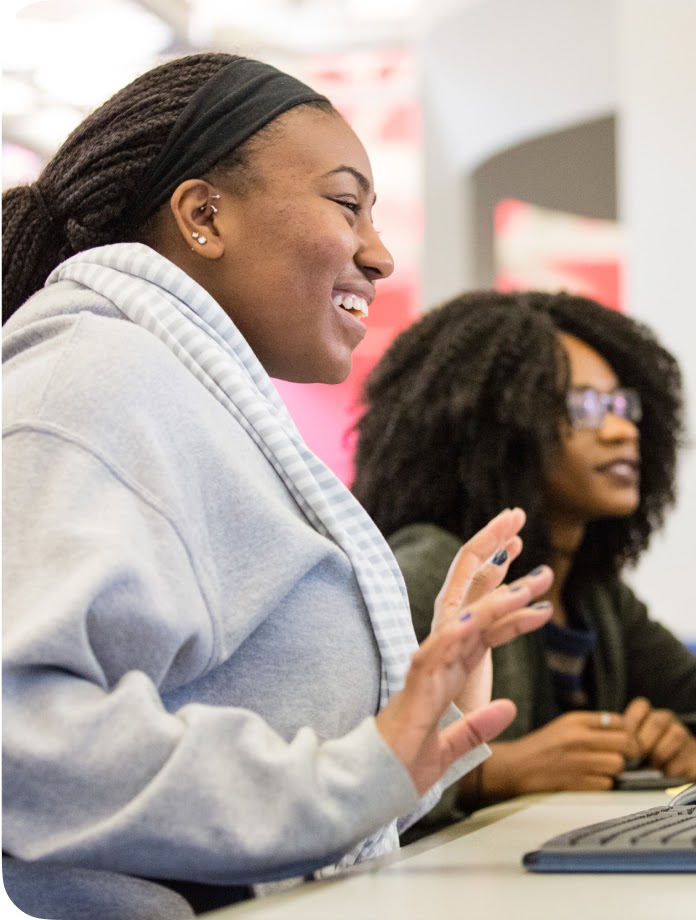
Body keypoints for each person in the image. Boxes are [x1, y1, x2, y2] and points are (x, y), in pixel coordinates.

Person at [1, 54, 555, 920]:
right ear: (203, 215)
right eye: (346, 203)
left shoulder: (183, 391)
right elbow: (21, 748)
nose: (378, 255)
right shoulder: (91, 378)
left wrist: (421, 729)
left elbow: (273, 809)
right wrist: (354, 777)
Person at [352, 290, 696, 837]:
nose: (621, 430)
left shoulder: (596, 598)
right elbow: (348, 771)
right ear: (499, 429)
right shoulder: (438, 574)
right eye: (584, 408)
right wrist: (492, 775)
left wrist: (694, 743)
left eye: (621, 405)